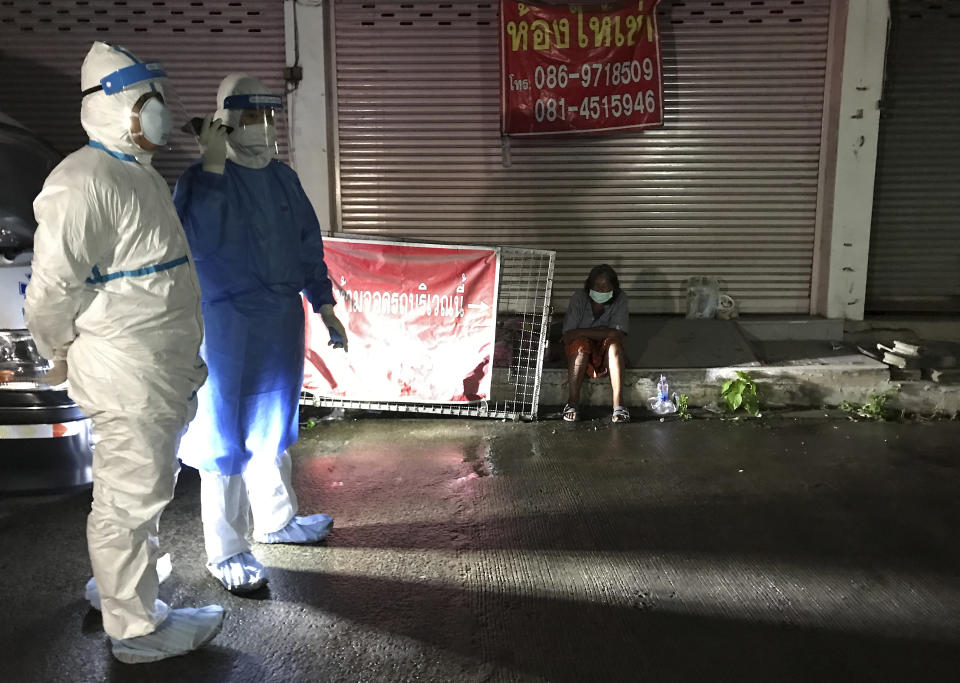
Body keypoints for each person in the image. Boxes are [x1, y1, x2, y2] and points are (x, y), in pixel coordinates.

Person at [24, 41, 224, 664]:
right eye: (149, 100)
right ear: (115, 107)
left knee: (139, 488)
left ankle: (117, 588)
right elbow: (52, 289)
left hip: (152, 366)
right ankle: (136, 631)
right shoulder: (82, 180)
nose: (162, 112)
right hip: (127, 369)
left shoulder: (131, 172)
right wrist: (55, 349)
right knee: (129, 495)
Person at [173, 74, 347, 595]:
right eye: (251, 117)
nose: (264, 128)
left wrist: (324, 304)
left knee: (272, 424)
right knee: (223, 433)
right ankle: (225, 548)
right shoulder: (200, 180)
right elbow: (195, 238)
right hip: (226, 320)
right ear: (225, 119)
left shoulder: (283, 178)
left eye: (269, 117)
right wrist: (211, 167)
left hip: (278, 316)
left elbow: (305, 245)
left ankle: (276, 519)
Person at [561, 264, 630, 423]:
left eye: (605, 286)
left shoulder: (620, 299)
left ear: (614, 287)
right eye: (596, 286)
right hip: (582, 346)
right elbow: (569, 335)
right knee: (580, 346)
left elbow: (617, 333)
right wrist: (602, 330)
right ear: (589, 286)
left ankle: (618, 405)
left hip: (605, 346)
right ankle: (572, 403)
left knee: (614, 346)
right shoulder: (579, 298)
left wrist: (581, 331)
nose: (600, 290)